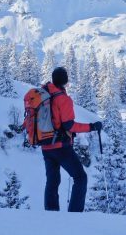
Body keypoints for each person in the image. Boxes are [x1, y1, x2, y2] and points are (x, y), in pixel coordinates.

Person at [41, 66, 102, 212]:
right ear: (65, 81)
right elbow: (69, 125)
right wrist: (92, 127)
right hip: (61, 146)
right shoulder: (63, 99)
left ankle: (51, 212)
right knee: (80, 178)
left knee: (52, 181)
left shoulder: (44, 94)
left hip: (45, 145)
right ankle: (75, 214)